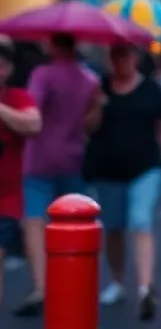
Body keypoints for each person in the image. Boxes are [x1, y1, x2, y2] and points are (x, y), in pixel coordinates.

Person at [15, 33, 102, 317]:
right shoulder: (89, 79)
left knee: (34, 220)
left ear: (53, 45)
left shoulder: (42, 74)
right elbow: (91, 123)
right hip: (73, 154)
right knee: (74, 220)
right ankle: (74, 274)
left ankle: (42, 285)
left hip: (39, 155)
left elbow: (34, 116)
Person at [85, 43, 161, 319]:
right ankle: (119, 280)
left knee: (141, 221)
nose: (120, 61)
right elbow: (89, 126)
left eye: (125, 56)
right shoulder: (100, 86)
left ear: (135, 58)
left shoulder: (150, 88)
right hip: (108, 170)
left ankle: (145, 287)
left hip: (145, 167)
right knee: (113, 228)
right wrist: (98, 104)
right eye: (115, 56)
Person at [0, 37, 40, 314]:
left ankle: (42, 288)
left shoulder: (17, 97)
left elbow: (33, 123)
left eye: (1, 65)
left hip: (8, 196)